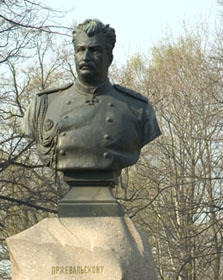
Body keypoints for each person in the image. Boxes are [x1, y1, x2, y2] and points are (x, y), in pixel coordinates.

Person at [23, 19, 160, 185]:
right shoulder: (43, 104)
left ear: (109, 57)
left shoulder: (137, 108)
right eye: (80, 50)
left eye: (94, 50)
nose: (86, 57)